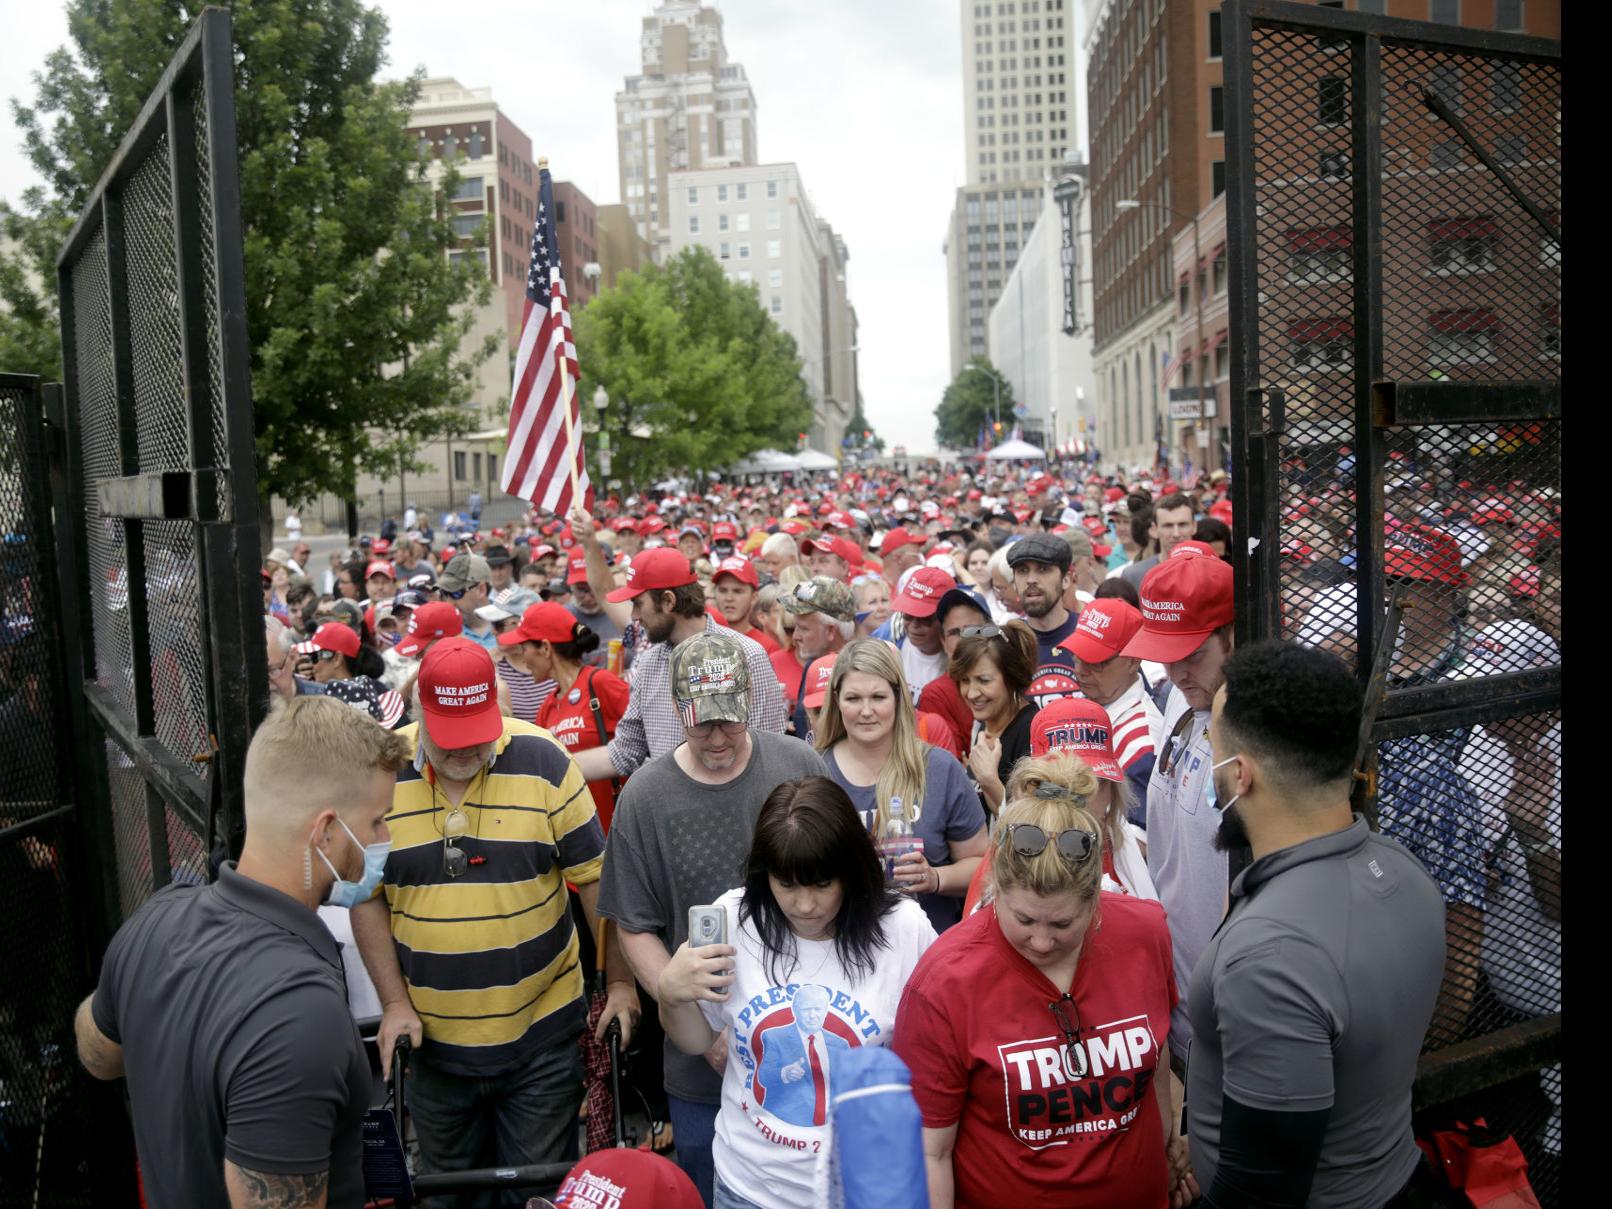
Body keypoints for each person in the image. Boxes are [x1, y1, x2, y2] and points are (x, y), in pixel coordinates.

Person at [75, 696, 408, 1208]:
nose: (385, 838)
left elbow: (96, 1055)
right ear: (324, 831)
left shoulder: (155, 921)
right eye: (378, 821)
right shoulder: (301, 1010)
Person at [351, 638, 638, 1207]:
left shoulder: (546, 760)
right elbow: (366, 897)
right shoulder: (379, 769)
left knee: (534, 1192)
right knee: (446, 1193)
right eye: (450, 738)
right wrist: (392, 1004)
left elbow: (596, 882)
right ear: (419, 712)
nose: (464, 752)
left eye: (476, 735)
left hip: (541, 1038)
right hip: (433, 1047)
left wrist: (622, 985)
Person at [1188, 640, 1445, 1209]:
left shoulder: (1271, 956)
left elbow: (1262, 1192)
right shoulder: (1404, 871)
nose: (1211, 761)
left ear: (1241, 774)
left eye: (1214, 745)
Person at [597, 632, 829, 1206]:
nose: (720, 739)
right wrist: (702, 1029)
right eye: (703, 726)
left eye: (731, 721)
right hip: (703, 1071)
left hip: (815, 1044)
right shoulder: (645, 797)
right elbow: (634, 926)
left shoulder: (797, 763)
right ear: (677, 713)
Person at [893, 768, 1191, 1209]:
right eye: (1024, 920)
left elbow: (1157, 1049)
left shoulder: (1145, 933)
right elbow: (928, 1149)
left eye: (1064, 924)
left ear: (1096, 896)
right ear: (994, 888)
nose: (1042, 941)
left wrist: (1167, 1145)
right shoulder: (945, 981)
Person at [657, 777, 938, 1209]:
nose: (805, 905)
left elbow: (937, 1060)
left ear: (851, 870)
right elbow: (695, 1040)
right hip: (749, 1186)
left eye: (822, 884)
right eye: (786, 884)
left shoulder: (904, 929)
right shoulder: (734, 919)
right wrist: (671, 995)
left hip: (865, 1186)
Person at [1121, 542, 1235, 1060]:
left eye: (1193, 655)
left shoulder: (1255, 734)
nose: (1177, 671)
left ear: (1233, 637)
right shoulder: (1178, 699)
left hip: (1230, 1012)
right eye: (1167, 657)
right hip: (1176, 999)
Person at [571, 549, 788, 786]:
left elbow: (769, 753)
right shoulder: (648, 664)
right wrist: (555, 763)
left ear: (668, 601)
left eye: (638, 603)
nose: (633, 615)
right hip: (671, 816)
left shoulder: (748, 655)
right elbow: (626, 751)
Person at [815, 639, 988, 932]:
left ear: (898, 697)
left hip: (926, 951)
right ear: (836, 700)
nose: (866, 711)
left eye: (878, 697)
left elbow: (983, 868)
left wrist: (934, 878)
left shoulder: (939, 768)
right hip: (840, 944)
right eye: (853, 698)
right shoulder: (815, 770)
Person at [500, 602, 630, 833]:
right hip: (579, 837)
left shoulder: (601, 684)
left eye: (524, 647)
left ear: (546, 648)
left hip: (620, 830)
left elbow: (648, 746)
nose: (523, 657)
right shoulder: (546, 708)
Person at [1026, 701, 1156, 900]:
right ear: (1036, 788)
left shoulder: (1117, 841)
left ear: (1112, 788)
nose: (1083, 800)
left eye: (1098, 783)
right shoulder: (1012, 861)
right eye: (1066, 786)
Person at [1059, 597, 1164, 831]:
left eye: (1096, 662)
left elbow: (1140, 845)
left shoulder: (1141, 742)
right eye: (1077, 655)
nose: (1080, 670)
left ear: (1133, 660)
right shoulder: (1091, 704)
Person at [951, 620, 1039, 816]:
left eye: (984, 680)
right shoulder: (984, 723)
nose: (972, 693)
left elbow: (1031, 828)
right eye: (964, 680)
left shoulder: (1032, 731)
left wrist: (989, 779)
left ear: (1013, 677)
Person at [1005, 534, 1081, 708]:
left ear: (1066, 579)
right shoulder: (1005, 644)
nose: (1031, 579)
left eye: (1043, 569)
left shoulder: (1092, 634)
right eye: (1022, 571)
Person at [779, 576, 857, 739]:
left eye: (803, 628)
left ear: (830, 631)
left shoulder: (859, 672)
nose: (795, 637)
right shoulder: (813, 665)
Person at [919, 587, 992, 757]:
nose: (963, 640)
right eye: (954, 633)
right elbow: (952, 767)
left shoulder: (1008, 678)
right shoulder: (936, 695)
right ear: (943, 641)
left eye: (972, 630)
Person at [294, 622, 406, 727]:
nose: (312, 665)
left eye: (314, 657)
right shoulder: (313, 696)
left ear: (337, 659)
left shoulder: (379, 694)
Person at [890, 565, 956, 701]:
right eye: (907, 615)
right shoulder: (889, 640)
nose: (914, 625)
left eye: (924, 618)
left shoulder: (963, 658)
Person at [1121, 493, 1196, 591]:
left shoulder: (1212, 573)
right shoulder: (1134, 576)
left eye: (1182, 525)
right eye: (1168, 526)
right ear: (1154, 530)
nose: (1176, 534)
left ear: (1194, 527)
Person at [712, 555, 779, 654]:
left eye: (738, 591)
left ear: (754, 597)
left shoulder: (767, 648)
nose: (729, 598)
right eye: (723, 590)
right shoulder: (701, 641)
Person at [436, 551, 498, 653]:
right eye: (445, 593)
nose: (449, 603)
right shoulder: (442, 633)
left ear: (481, 590)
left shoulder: (512, 623)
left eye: (456, 593)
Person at [852, 573, 893, 640]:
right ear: (856, 609)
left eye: (884, 600)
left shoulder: (898, 642)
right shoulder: (846, 647)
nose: (881, 608)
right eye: (873, 602)